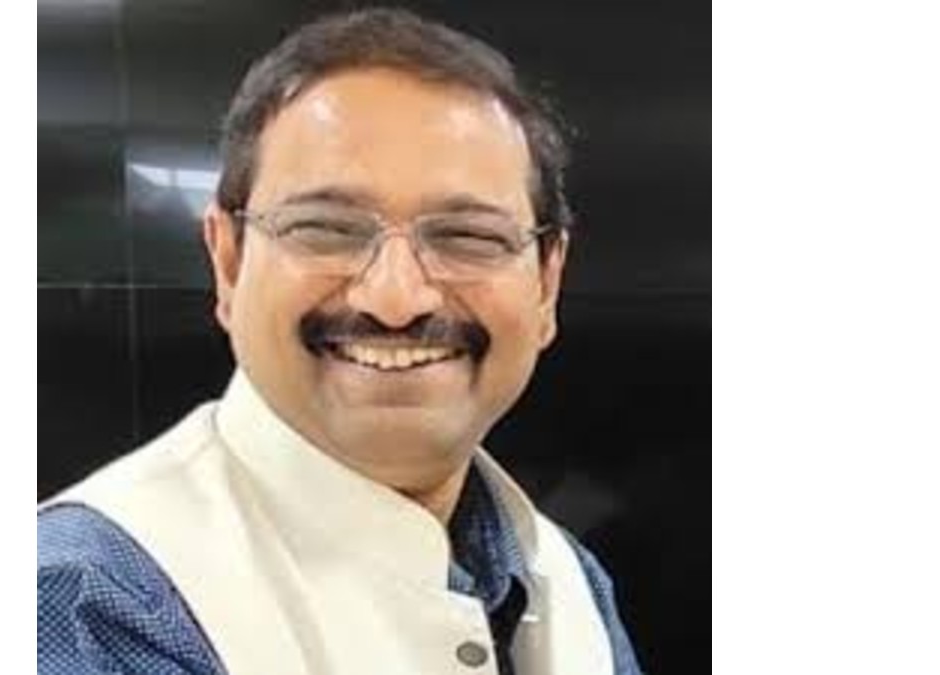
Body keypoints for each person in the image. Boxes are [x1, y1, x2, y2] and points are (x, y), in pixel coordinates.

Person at [38, 8, 643, 674]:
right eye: (326, 228)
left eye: (468, 236)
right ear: (229, 262)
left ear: (546, 284)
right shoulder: (87, 606)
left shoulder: (571, 583)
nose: (396, 299)